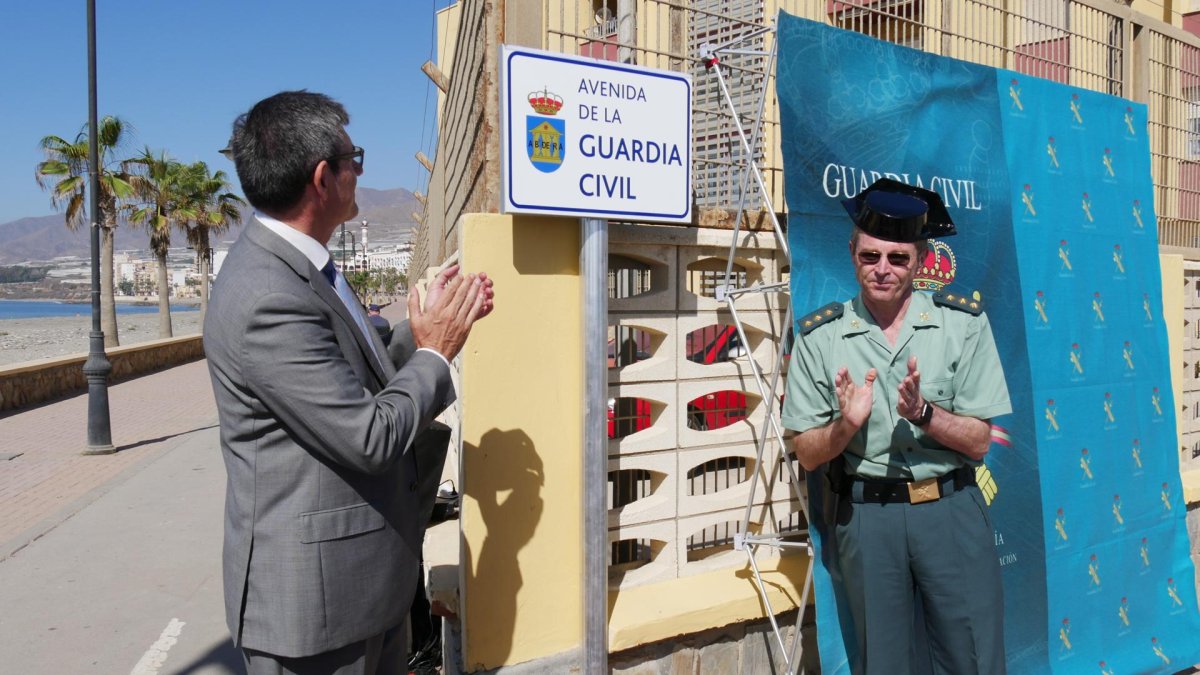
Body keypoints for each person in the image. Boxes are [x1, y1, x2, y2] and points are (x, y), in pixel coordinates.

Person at [204, 90, 493, 675]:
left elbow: (351, 373)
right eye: (353, 158)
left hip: (361, 589)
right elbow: (367, 435)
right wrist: (437, 354)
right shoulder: (268, 297)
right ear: (321, 177)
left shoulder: (305, 266)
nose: (361, 172)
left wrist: (416, 334)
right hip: (316, 613)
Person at [782, 178, 1011, 675]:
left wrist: (926, 415)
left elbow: (978, 442)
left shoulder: (963, 325)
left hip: (949, 512)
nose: (882, 269)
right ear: (852, 252)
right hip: (869, 520)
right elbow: (807, 452)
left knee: (972, 657)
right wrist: (844, 427)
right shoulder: (820, 337)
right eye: (870, 256)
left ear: (921, 259)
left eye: (897, 258)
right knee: (884, 663)